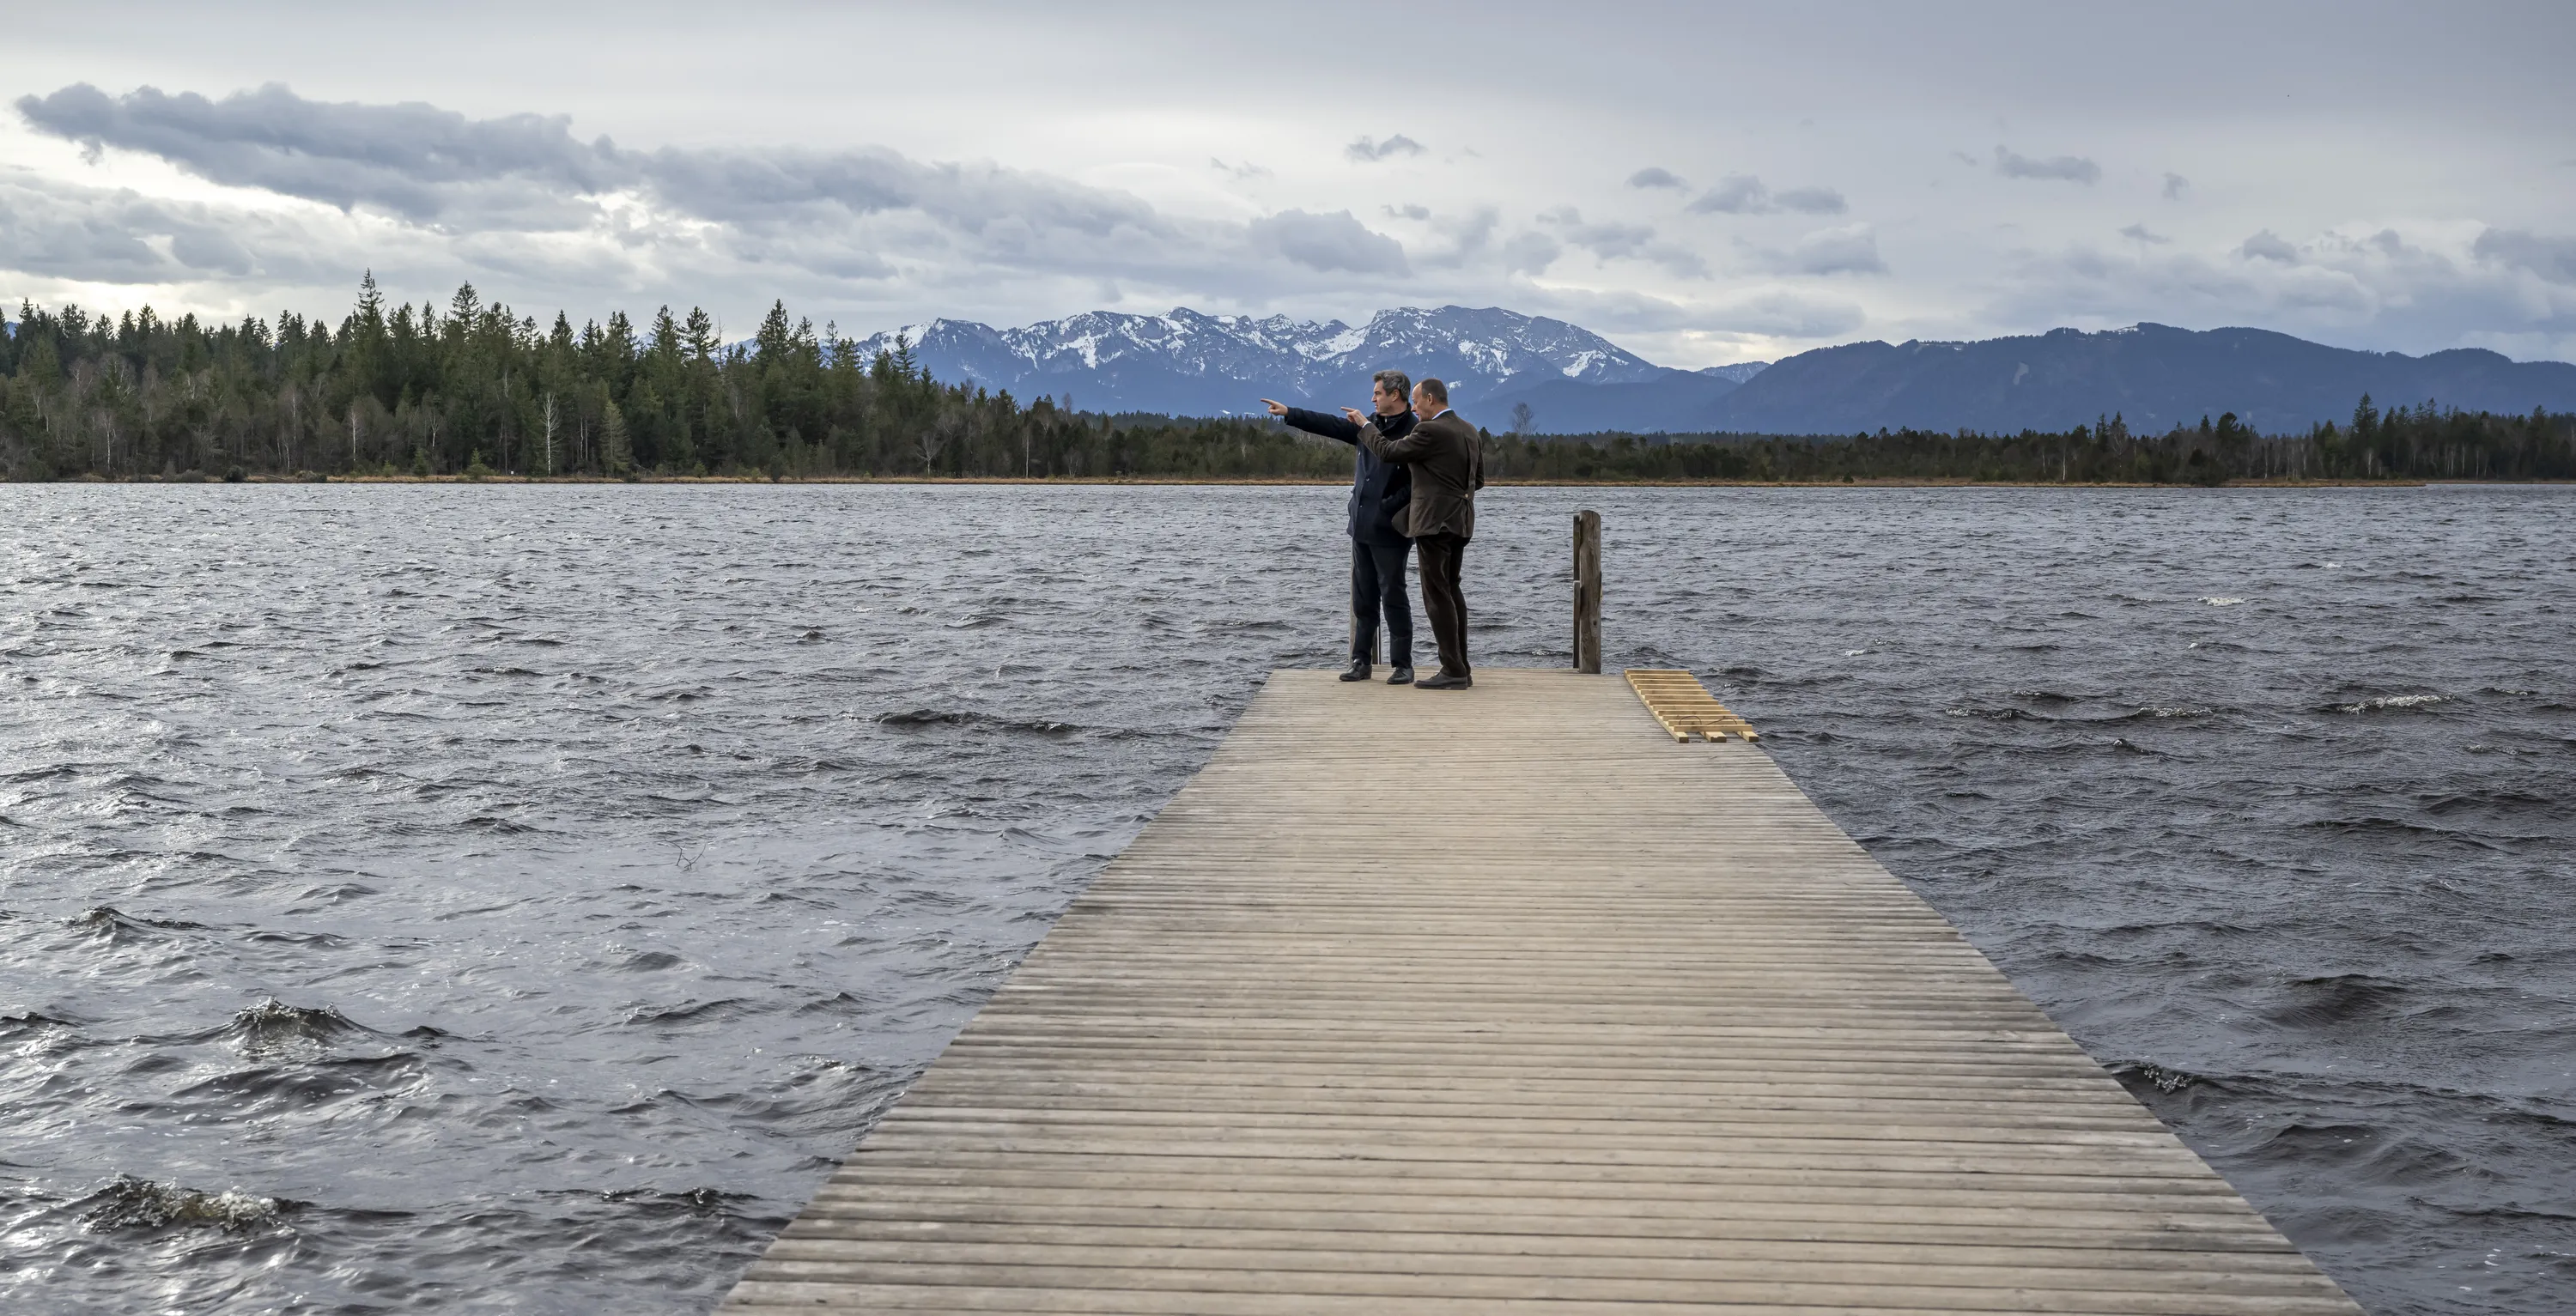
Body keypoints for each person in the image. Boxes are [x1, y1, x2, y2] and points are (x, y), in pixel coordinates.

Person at [1261, 371, 1418, 685]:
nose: (1373, 399)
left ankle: (1403, 664)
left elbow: (1417, 483)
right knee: (1363, 599)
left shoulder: (1415, 430)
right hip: (1360, 526)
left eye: (1377, 393)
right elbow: (1331, 425)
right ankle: (1361, 661)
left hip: (1391, 530)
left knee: (1394, 595)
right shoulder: (1367, 424)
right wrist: (1291, 413)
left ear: (1395, 395)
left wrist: (1389, 507)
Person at [1349, 379, 1481, 689]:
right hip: (1461, 523)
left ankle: (1453, 670)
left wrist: (1366, 425)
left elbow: (1388, 451)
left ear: (1431, 400)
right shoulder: (1470, 431)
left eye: (1418, 403)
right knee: (1452, 591)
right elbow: (1479, 481)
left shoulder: (1428, 430)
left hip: (1434, 524)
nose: (1415, 409)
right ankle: (1461, 665)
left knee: (1436, 596)